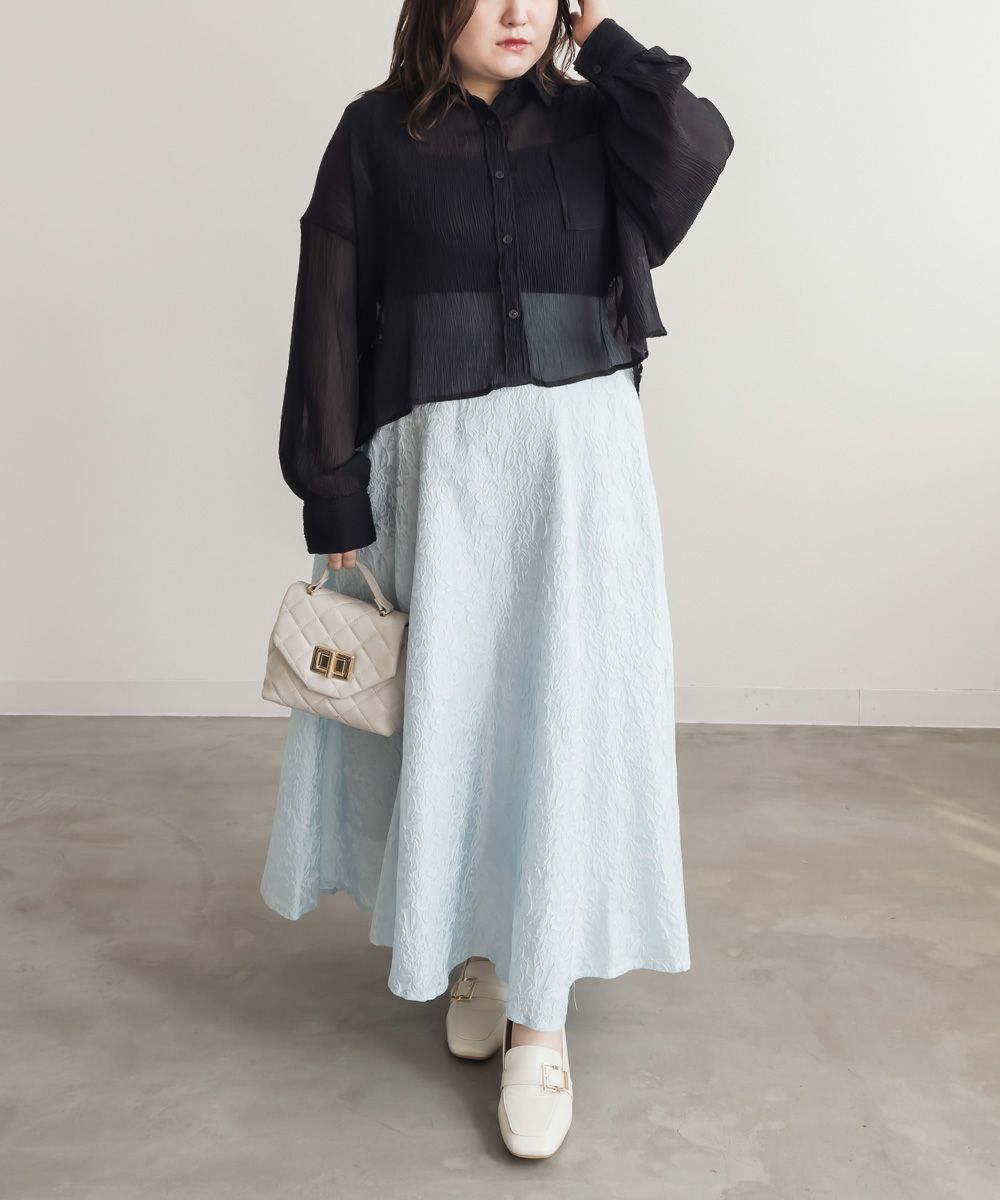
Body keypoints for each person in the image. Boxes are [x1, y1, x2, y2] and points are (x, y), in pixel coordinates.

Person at [260, 0, 733, 1160]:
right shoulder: (374, 134)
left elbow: (696, 149)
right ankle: (477, 943)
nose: (518, 11)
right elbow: (330, 306)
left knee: (557, 724)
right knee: (459, 723)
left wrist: (604, 38)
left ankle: (541, 1017)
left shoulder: (598, 120)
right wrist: (331, 491)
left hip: (578, 486)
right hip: (442, 484)